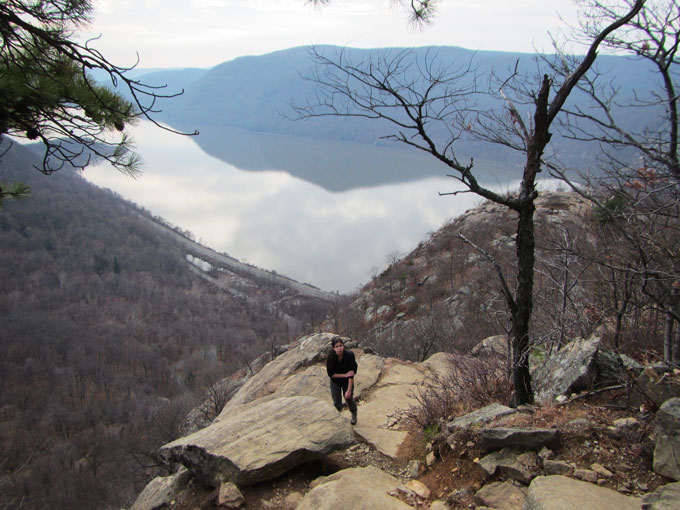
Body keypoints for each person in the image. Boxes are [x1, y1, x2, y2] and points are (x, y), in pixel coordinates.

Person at [326, 336, 358, 424]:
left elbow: (351, 373)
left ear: (343, 346)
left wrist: (348, 390)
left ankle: (354, 414)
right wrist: (345, 375)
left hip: (347, 381)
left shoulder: (349, 355)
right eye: (337, 347)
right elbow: (331, 374)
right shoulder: (331, 357)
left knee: (349, 398)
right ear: (333, 348)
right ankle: (337, 418)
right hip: (335, 380)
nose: (339, 348)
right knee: (336, 401)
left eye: (340, 346)